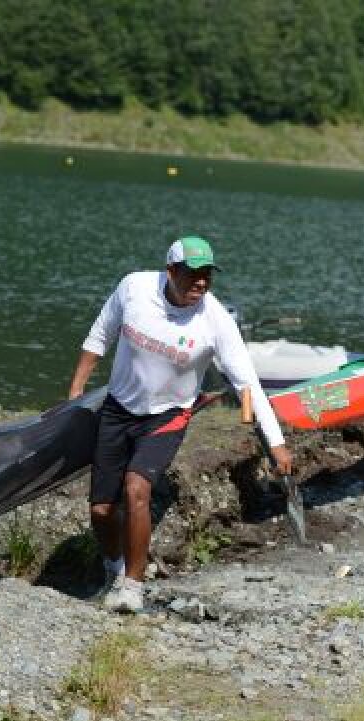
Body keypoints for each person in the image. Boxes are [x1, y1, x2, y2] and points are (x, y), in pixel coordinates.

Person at [68, 236, 293, 613]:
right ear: (170, 271)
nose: (201, 283)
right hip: (119, 408)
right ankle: (115, 567)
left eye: (207, 275)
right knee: (101, 511)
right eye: (192, 275)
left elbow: (246, 383)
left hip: (169, 415)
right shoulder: (134, 288)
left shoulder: (215, 320)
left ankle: (132, 588)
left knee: (137, 488)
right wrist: (76, 390)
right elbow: (100, 335)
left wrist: (275, 441)